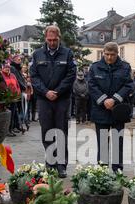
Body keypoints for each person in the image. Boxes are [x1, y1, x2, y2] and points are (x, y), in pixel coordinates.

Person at [29, 25, 76, 178]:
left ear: (59, 38)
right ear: (45, 38)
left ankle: (61, 165)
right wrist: (46, 92)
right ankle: (50, 163)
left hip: (62, 99)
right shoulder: (37, 54)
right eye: (49, 40)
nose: (52, 43)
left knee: (61, 131)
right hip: (44, 99)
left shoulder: (68, 54)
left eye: (54, 40)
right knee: (47, 131)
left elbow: (71, 75)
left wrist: (57, 91)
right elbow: (34, 77)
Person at [88, 42, 133, 172]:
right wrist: (103, 100)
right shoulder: (95, 67)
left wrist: (114, 99)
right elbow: (91, 85)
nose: (109, 57)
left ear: (117, 54)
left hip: (118, 109)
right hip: (100, 109)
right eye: (107, 54)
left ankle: (117, 168)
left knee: (117, 141)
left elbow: (129, 85)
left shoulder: (125, 67)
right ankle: (102, 169)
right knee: (102, 141)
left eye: (112, 55)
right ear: (103, 53)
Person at [10, 54, 28, 133]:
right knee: (16, 109)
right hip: (16, 91)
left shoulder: (17, 68)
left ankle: (17, 125)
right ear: (14, 60)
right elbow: (17, 79)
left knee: (17, 109)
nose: (20, 61)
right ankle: (15, 126)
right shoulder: (13, 68)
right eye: (19, 60)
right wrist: (24, 86)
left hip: (19, 91)